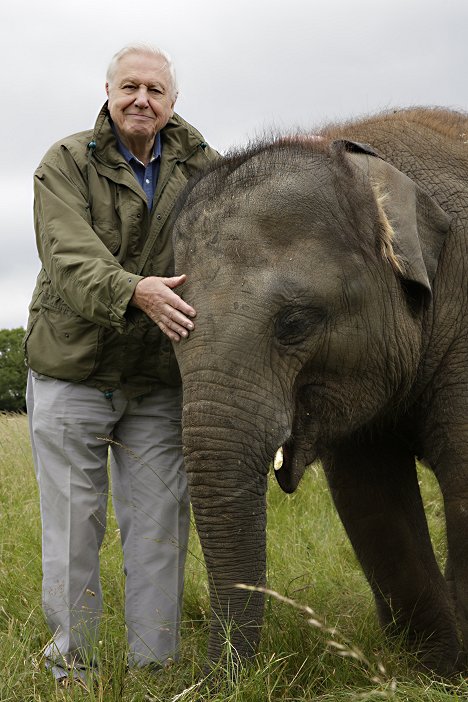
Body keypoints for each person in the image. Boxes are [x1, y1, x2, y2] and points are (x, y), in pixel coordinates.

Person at [25, 43, 218, 686]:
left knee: (160, 528)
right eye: (130, 86)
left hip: (158, 381)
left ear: (172, 101)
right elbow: (69, 258)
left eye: (155, 90)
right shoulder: (66, 161)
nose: (142, 99)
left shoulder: (206, 169)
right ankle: (69, 668)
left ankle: (153, 670)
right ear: (108, 92)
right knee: (75, 532)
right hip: (70, 373)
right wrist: (134, 290)